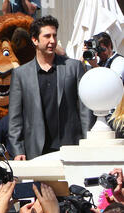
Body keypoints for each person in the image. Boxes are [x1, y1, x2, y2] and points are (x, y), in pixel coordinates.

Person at [8, 15, 92, 161]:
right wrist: (17, 150)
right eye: (47, 36)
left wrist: (87, 143)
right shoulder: (21, 74)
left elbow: (85, 110)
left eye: (54, 36)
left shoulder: (74, 67)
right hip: (35, 150)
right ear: (35, 40)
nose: (52, 41)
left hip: (71, 146)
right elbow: (15, 118)